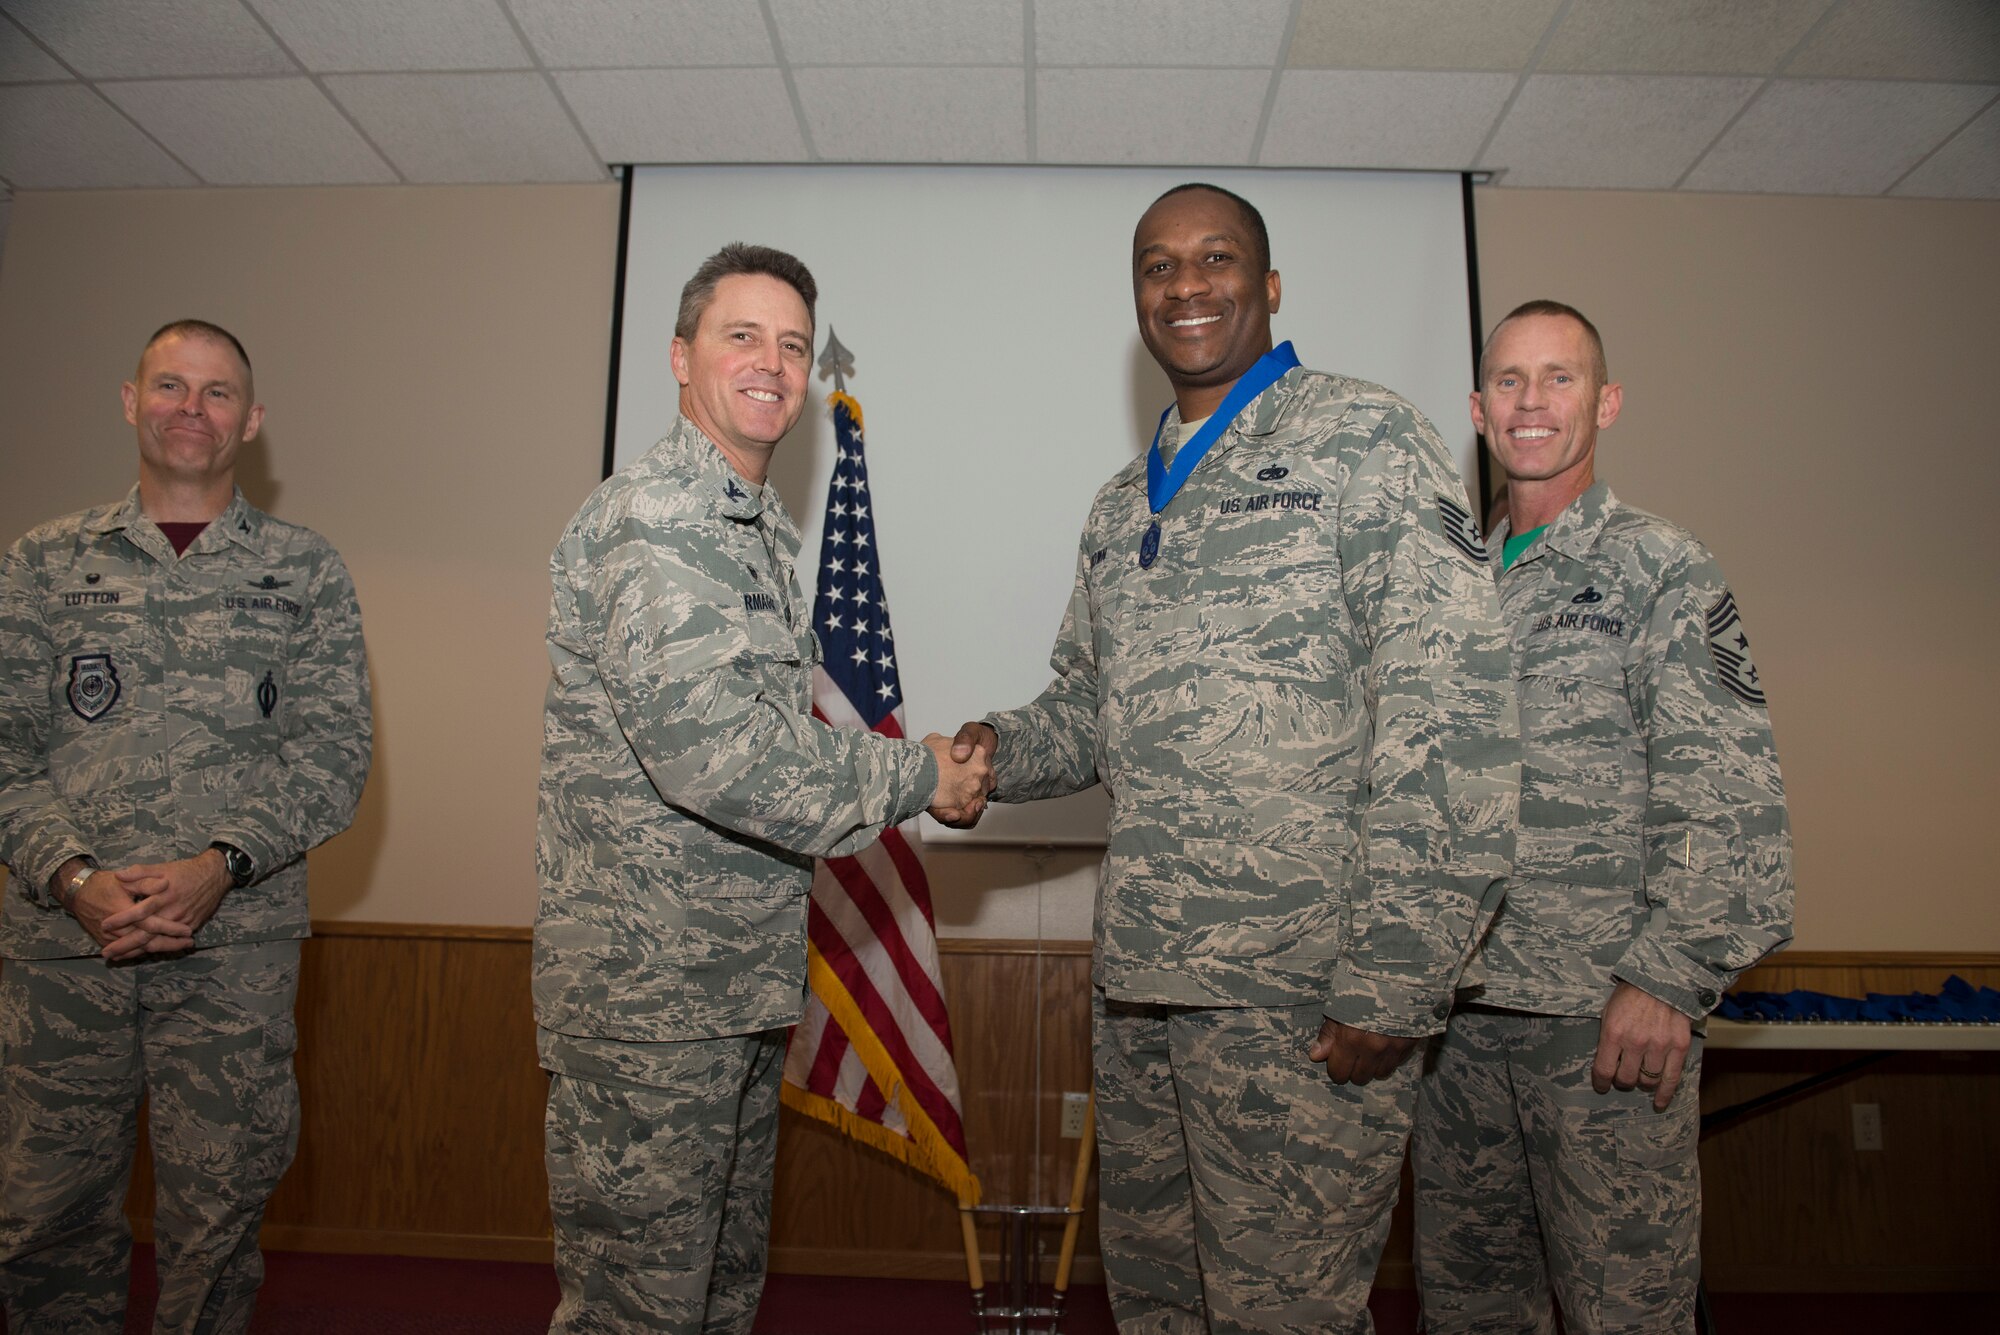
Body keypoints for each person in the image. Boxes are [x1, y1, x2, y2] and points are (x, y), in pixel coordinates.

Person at [947, 184, 1520, 1334]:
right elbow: (1089, 709)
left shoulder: (1366, 439)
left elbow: (1450, 711)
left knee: (1285, 1314)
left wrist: (1397, 978)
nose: (1185, 284)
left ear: (1266, 287)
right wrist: (997, 751)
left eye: (1215, 259)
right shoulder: (1120, 503)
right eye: (1157, 267)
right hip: (1144, 991)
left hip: (1300, 993)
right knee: (1157, 1304)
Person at [534, 243, 993, 1334]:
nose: (772, 363)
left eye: (792, 344)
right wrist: (919, 773)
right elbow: (718, 756)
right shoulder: (659, 524)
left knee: (716, 1296)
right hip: (649, 1003)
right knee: (636, 1312)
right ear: (681, 354)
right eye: (742, 335)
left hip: (725, 985)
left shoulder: (749, 533)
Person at [1412, 300, 1794, 1333]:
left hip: (1599, 1026)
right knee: (1467, 1312)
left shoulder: (1656, 565)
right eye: (1508, 381)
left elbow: (1727, 787)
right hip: (1453, 1028)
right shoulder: (1445, 585)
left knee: (1623, 1311)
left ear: (1605, 402)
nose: (1530, 401)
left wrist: (1667, 978)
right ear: (1477, 410)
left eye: (1559, 378)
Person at [0, 319, 373, 1331]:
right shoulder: (42, 563)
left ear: (250, 422)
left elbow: (334, 754)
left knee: (216, 1226)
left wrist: (222, 865)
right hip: (63, 954)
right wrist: (74, 879)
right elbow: (5, 749)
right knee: (45, 1222)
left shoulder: (305, 571)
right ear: (131, 401)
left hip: (232, 953)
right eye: (170, 386)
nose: (190, 410)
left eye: (216, 394)